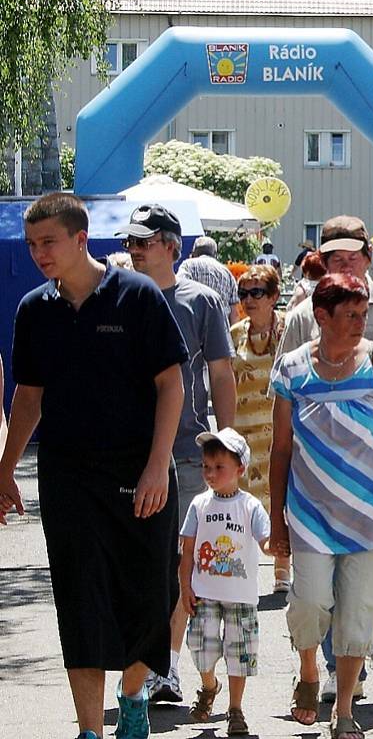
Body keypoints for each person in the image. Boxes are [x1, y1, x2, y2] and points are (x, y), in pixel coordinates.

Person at [0, 193, 187, 739]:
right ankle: (89, 730)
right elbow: (28, 397)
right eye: (33, 245)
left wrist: (158, 466)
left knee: (152, 598)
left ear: (81, 240)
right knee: (81, 601)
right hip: (69, 476)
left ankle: (133, 695)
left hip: (141, 471)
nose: (39, 254)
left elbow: (170, 384)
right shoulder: (34, 309)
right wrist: (5, 468)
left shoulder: (138, 296)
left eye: (48, 242)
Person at [276, 215, 373, 700]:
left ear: (369, 256)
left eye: (353, 254)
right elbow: (286, 408)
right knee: (321, 590)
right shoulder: (306, 314)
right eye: (334, 256)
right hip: (316, 491)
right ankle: (340, 667)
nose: (345, 262)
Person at [118, 203, 237, 704]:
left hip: (189, 451)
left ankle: (162, 667)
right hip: (129, 453)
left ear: (172, 245)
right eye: (131, 244)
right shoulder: (118, 296)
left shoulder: (201, 301)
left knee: (181, 564)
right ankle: (146, 661)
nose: (136, 251)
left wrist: (228, 445)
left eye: (145, 242)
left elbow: (221, 372)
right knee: (138, 563)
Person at [179, 428, 270, 737]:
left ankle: (235, 709)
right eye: (206, 466)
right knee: (199, 646)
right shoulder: (199, 505)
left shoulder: (250, 506)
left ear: (239, 469)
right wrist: (185, 587)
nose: (210, 473)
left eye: (219, 467)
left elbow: (265, 540)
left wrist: (278, 546)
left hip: (240, 596)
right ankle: (209, 685)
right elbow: (188, 550)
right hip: (204, 592)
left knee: (239, 654)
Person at [229, 264, 290, 592]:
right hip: (243, 431)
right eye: (243, 293)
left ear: (274, 296)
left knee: (282, 502)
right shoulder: (235, 332)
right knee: (244, 503)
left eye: (257, 293)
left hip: (279, 431)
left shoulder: (289, 330)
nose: (249, 299)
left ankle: (282, 571)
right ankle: (245, 570)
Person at [178, 236, 241, 325]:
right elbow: (234, 314)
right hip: (221, 330)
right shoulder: (227, 273)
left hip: (195, 326)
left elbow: (179, 290)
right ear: (215, 254)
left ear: (194, 252)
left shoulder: (188, 265)